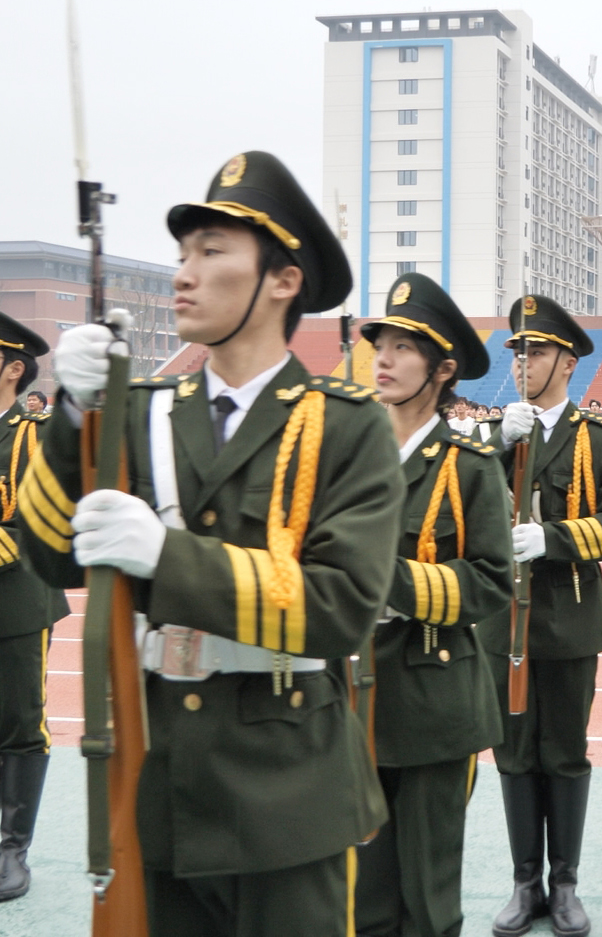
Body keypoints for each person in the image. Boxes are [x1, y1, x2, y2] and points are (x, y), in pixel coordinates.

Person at [20, 151, 403, 933]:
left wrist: (167, 558)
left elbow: (342, 607)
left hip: (289, 791)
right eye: (182, 254)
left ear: (282, 280)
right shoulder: (145, 408)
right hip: (160, 780)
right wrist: (72, 417)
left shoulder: (345, 422)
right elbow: (53, 553)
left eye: (212, 252)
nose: (184, 274)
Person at [353, 273, 512, 937]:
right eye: (379, 344)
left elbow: (490, 580)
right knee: (364, 901)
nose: (383, 360)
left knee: (427, 901)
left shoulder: (469, 465)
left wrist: (390, 588)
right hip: (354, 704)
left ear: (443, 369)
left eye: (402, 348)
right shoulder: (349, 458)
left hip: (432, 706)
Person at [487, 294, 602, 937]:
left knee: (563, 752)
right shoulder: (501, 435)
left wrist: (552, 540)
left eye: (535, 352)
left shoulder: (597, 440)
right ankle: (524, 882)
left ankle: (564, 884)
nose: (524, 362)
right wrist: (496, 445)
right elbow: (463, 501)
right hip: (506, 619)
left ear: (567, 360)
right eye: (518, 352)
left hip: (570, 616)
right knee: (513, 754)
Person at [0, 314, 61, 903]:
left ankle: (10, 847)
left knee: (19, 720)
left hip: (17, 598)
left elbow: (37, 519)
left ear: (12, 368)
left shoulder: (32, 430)